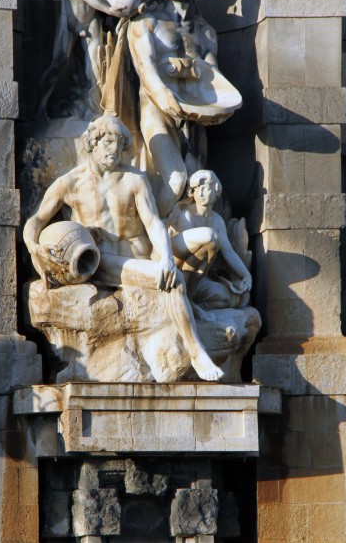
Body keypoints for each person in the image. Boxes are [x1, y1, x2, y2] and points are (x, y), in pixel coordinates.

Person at [23, 115, 224, 381]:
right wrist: (33, 244)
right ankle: (196, 352)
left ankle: (186, 301)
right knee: (171, 282)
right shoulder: (70, 183)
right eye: (107, 142)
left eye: (119, 143)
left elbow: (153, 222)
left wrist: (165, 257)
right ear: (92, 143)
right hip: (106, 261)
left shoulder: (134, 179)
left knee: (207, 238)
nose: (114, 150)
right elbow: (36, 219)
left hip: (145, 255)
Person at [128, 0, 238, 217]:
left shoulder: (206, 32)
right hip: (157, 110)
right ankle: (151, 240)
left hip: (195, 120)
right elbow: (145, 67)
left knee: (194, 184)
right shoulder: (148, 21)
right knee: (176, 180)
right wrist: (166, 96)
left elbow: (216, 80)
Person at [167, 170, 252, 320]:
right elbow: (190, 255)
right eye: (196, 189)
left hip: (200, 279)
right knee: (210, 237)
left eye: (205, 188)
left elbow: (228, 252)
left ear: (216, 191)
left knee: (232, 298)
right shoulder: (186, 215)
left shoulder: (217, 220)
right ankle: (188, 301)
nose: (200, 193)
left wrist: (246, 274)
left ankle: (195, 304)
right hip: (183, 274)